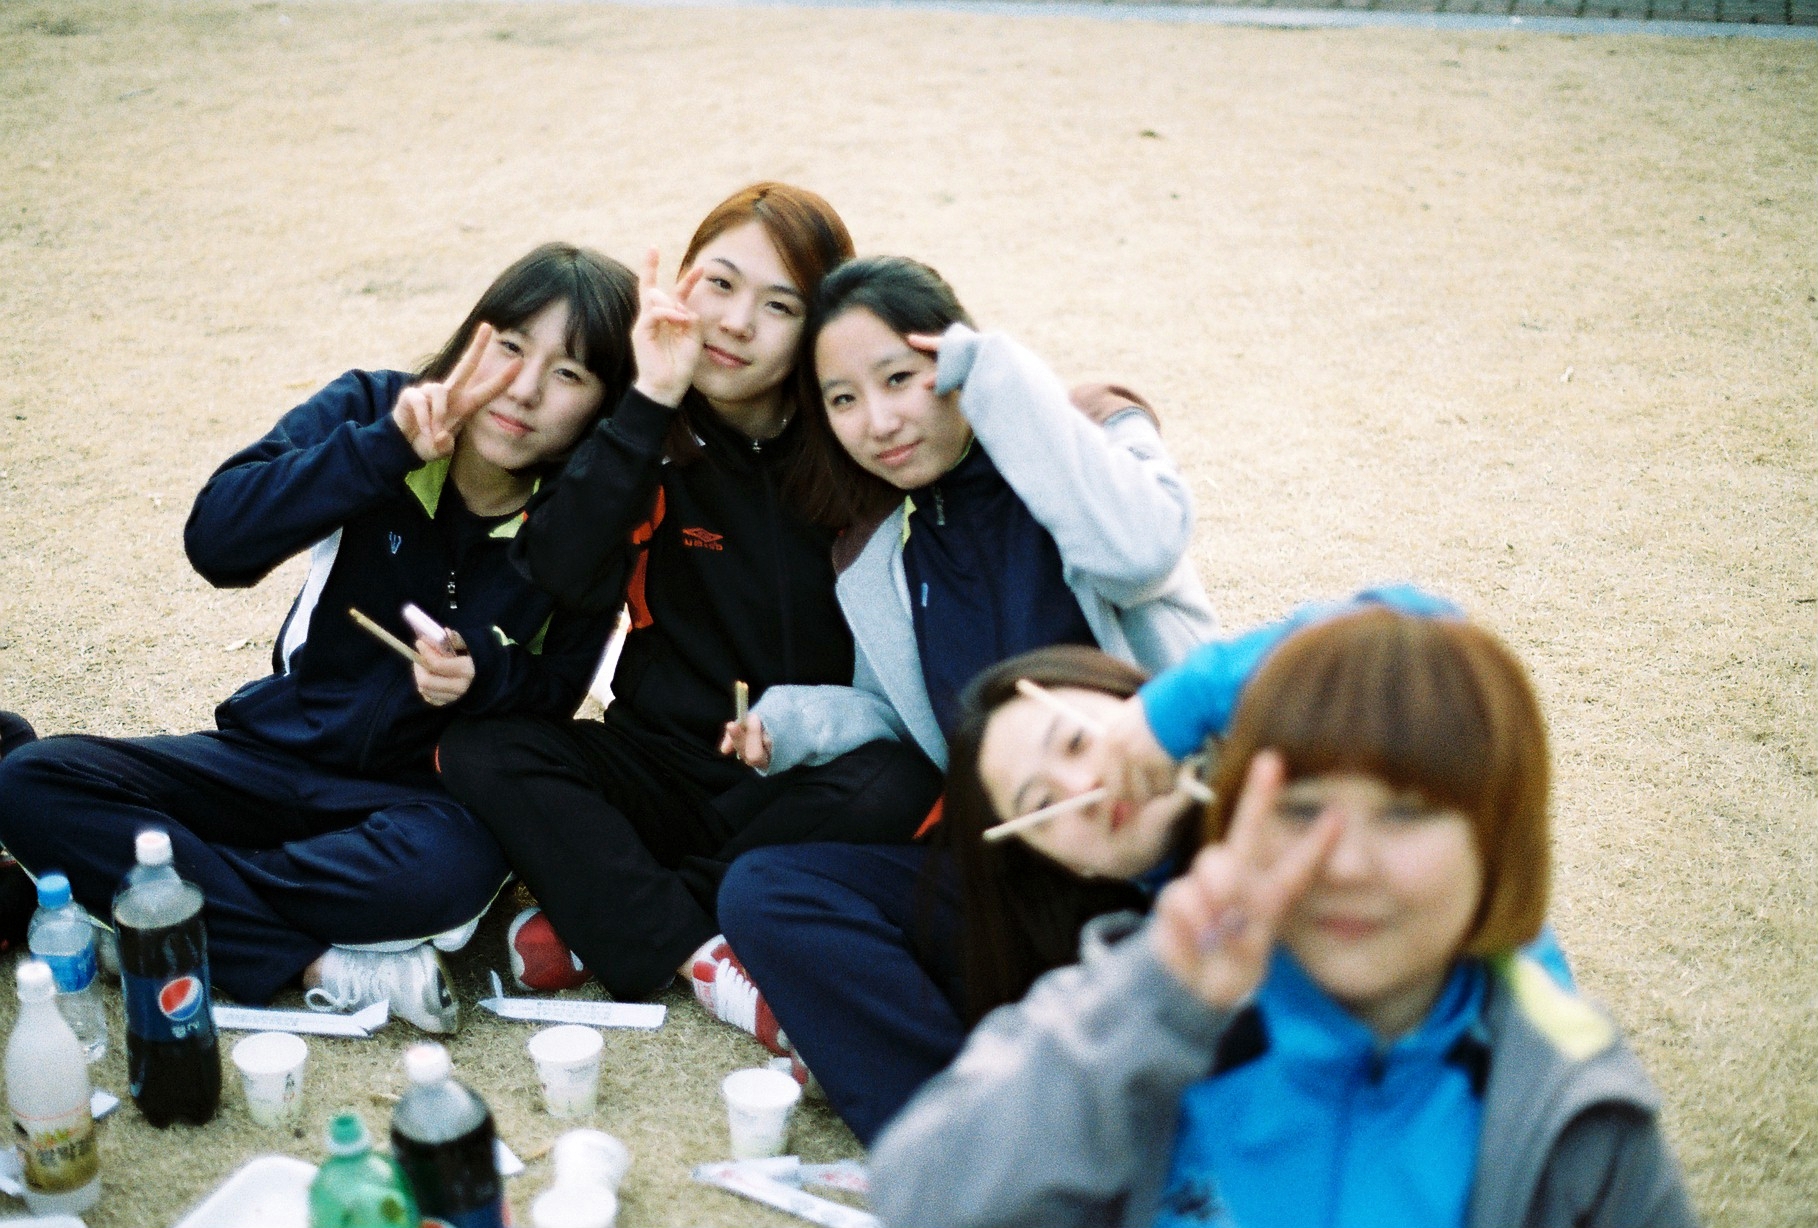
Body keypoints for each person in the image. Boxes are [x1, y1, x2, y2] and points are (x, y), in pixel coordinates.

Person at [869, 606, 1696, 1228]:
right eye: (1039, 806)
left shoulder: (1567, 1102)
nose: (1344, 864)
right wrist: (1157, 994)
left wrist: (1178, 706)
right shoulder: (1131, 1006)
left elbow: (1421, 636)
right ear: (1058, 866)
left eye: (1080, 743)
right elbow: (923, 1198)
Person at [0, 243, 635, 1031]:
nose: (524, 388)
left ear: (603, 405)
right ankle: (318, 965)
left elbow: (557, 693)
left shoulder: (589, 521)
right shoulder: (375, 409)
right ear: (472, 339)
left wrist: (486, 678)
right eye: (509, 346)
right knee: (29, 779)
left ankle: (154, 900)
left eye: (569, 373)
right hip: (270, 757)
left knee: (449, 875)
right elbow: (217, 542)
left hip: (422, 803)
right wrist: (385, 450)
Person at [715, 255, 1215, 1139]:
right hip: (1025, 880)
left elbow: (1142, 552)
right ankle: (954, 1138)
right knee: (764, 892)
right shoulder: (880, 554)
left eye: (899, 378)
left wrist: (1000, 376)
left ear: (954, 359)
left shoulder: (1084, 440)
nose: (878, 422)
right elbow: (900, 714)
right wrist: (791, 720)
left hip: (1166, 849)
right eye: (843, 400)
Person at [437, 188, 946, 1047]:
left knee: (900, 782)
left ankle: (621, 915)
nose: (736, 323)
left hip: (799, 774)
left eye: (779, 305)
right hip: (663, 765)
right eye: (720, 283)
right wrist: (652, 399)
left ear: (815, 328)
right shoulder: (643, 426)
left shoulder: (853, 441)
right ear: (681, 284)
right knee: (484, 747)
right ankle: (700, 951)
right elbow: (555, 566)